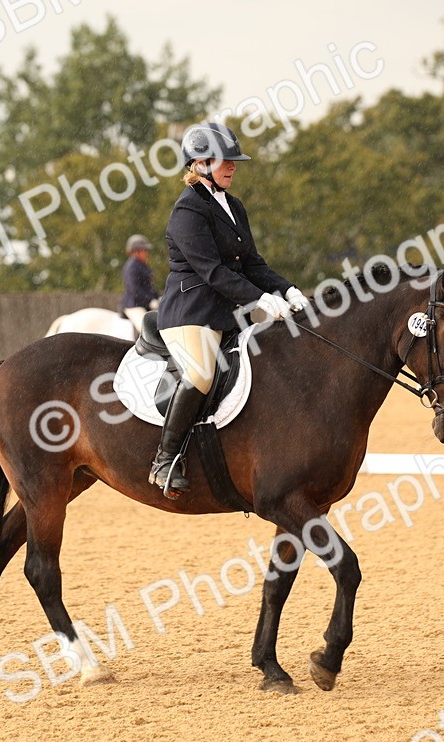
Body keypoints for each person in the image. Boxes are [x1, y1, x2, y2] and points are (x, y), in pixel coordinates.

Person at [149, 121, 312, 497]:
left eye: (235, 160)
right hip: (190, 313)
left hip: (226, 315)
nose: (234, 166)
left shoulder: (233, 205)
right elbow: (212, 271)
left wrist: (286, 288)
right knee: (203, 373)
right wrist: (258, 299)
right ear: (201, 163)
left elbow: (252, 262)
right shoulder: (187, 210)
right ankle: (165, 458)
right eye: (226, 160)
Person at [118, 233, 159, 335]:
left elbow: (149, 287)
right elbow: (134, 289)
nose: (146, 253)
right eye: (144, 250)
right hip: (134, 305)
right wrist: (150, 300)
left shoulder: (142, 265)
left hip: (143, 303)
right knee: (147, 331)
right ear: (135, 251)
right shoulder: (132, 266)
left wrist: (157, 297)